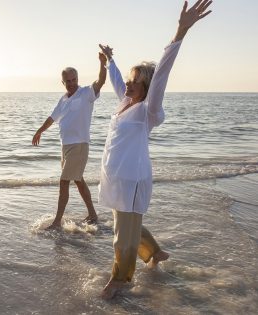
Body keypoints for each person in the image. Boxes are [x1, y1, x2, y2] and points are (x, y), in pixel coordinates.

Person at [98, 0, 212, 299]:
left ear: (147, 86)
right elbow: (116, 81)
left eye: (136, 81)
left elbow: (161, 75)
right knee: (127, 223)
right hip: (118, 178)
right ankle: (156, 253)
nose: (129, 84)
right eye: (130, 80)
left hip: (132, 179)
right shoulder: (125, 104)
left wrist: (180, 32)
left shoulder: (147, 110)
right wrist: (110, 61)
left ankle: (121, 279)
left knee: (123, 233)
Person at [32, 52, 107, 230]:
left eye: (74, 80)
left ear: (77, 79)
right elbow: (52, 118)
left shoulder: (86, 93)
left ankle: (57, 221)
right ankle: (93, 214)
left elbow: (101, 81)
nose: (71, 83)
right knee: (78, 181)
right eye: (68, 81)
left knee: (64, 181)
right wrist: (39, 131)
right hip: (65, 146)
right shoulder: (63, 99)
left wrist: (102, 63)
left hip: (79, 145)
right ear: (63, 82)